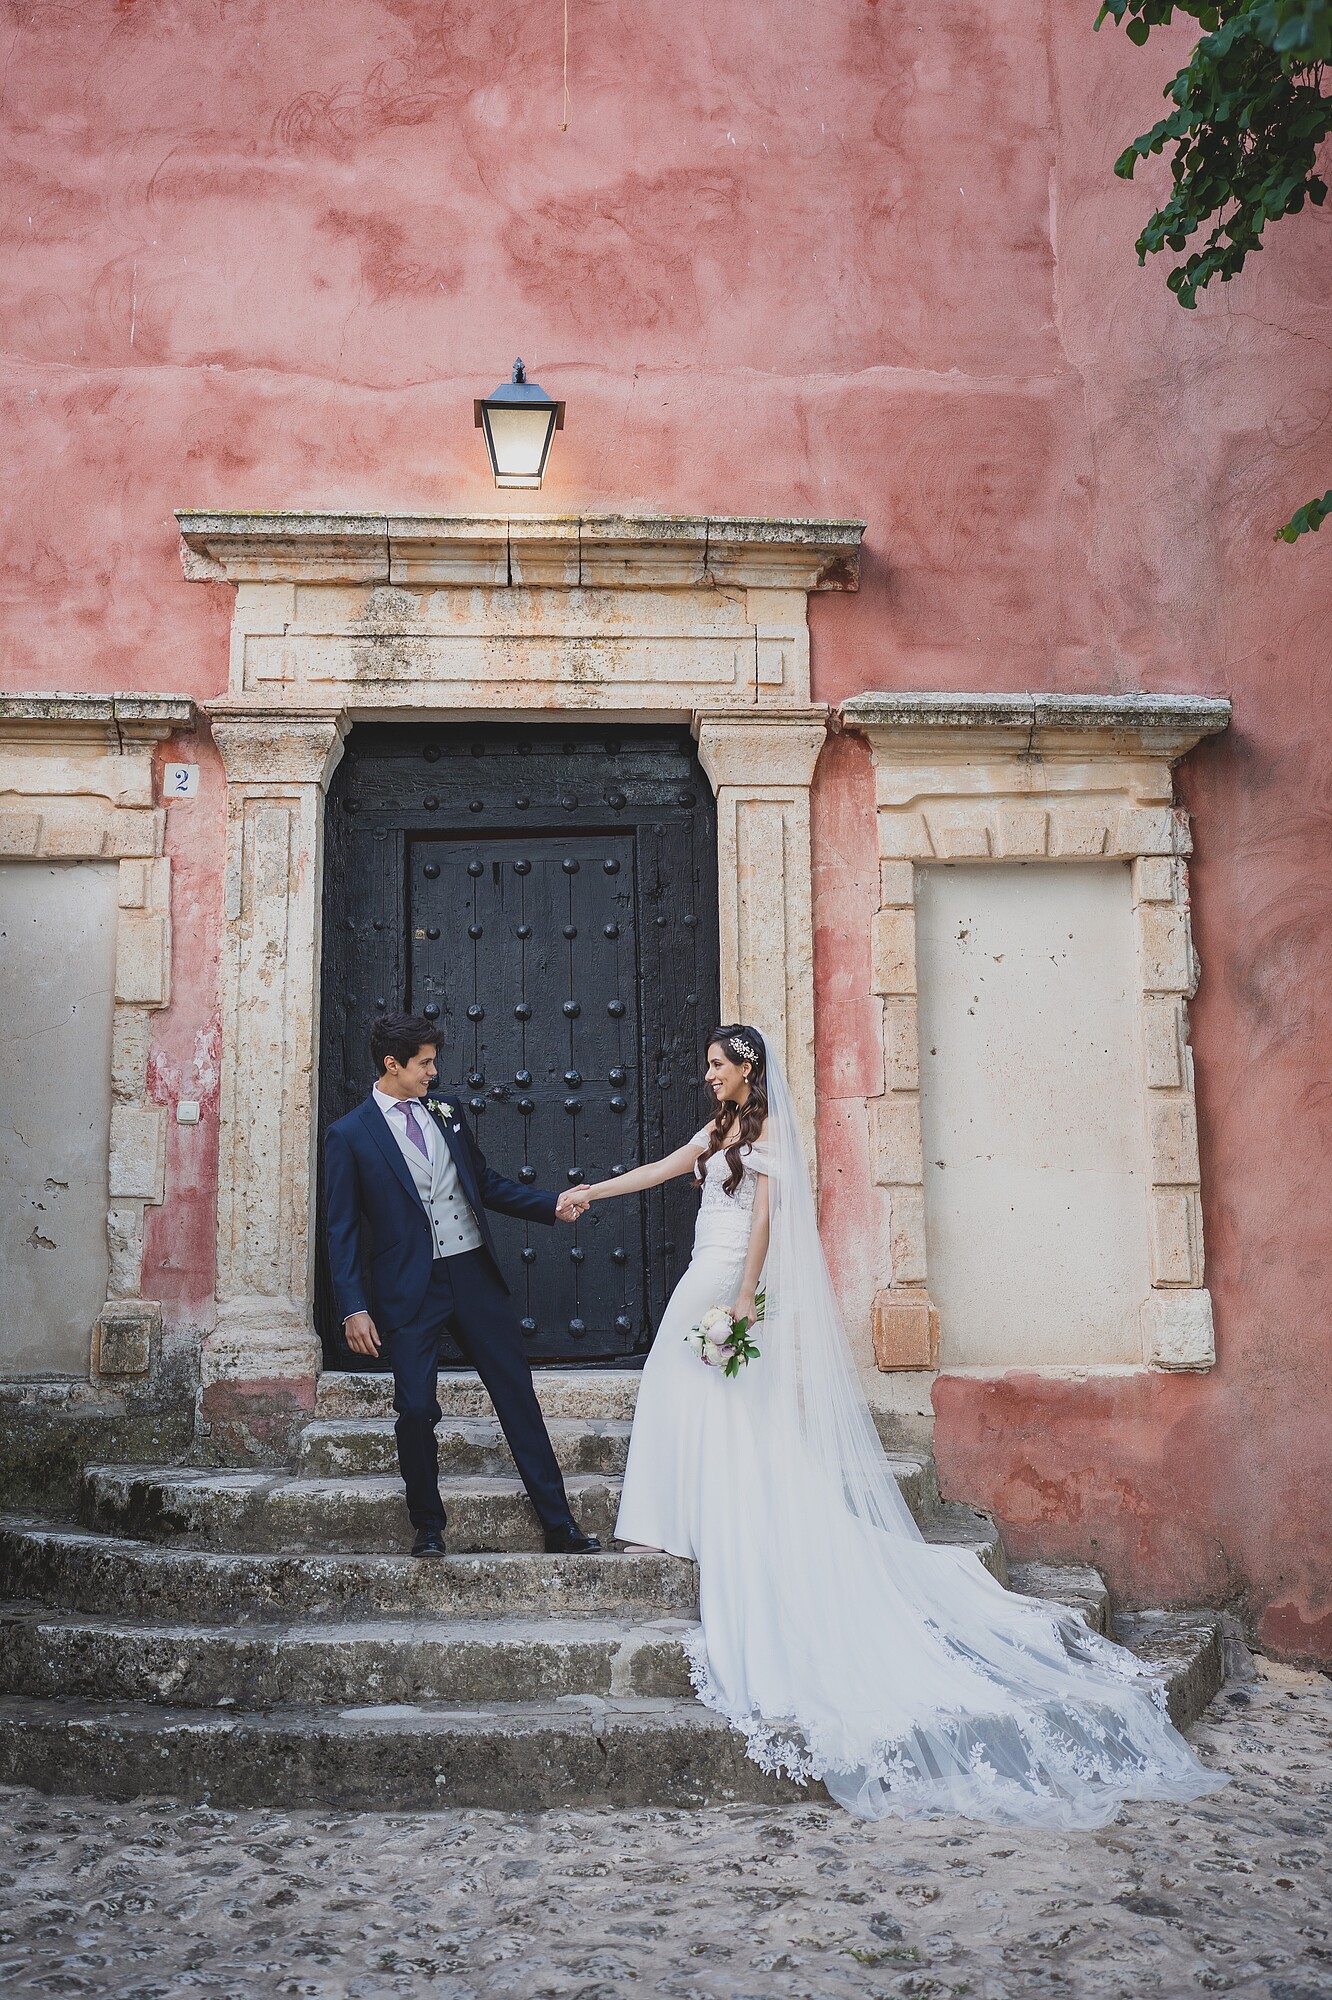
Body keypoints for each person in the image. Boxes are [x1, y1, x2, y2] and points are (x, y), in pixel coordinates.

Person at [563, 1024, 1229, 1827]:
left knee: (716, 1395)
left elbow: (768, 1222)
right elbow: (667, 1169)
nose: (706, 1074)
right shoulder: (719, 1130)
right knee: (680, 1386)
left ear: (747, 1068)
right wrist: (593, 1192)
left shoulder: (767, 1129)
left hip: (727, 1277)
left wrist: (742, 1299)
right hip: (701, 1269)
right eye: (706, 1063)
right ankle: (673, 1514)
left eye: (716, 1064)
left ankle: (706, 1513)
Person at [324, 1012, 601, 1559]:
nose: (434, 1072)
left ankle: (559, 1524)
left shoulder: (444, 1112)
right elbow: (342, 1229)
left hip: (472, 1273)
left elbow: (485, 1183)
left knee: (516, 1396)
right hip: (410, 1288)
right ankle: (428, 1525)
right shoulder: (349, 1134)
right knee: (417, 1408)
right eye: (425, 1063)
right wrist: (353, 1307)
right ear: (393, 1065)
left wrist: (551, 1205)